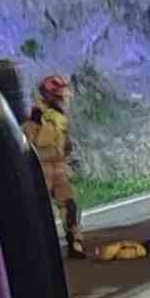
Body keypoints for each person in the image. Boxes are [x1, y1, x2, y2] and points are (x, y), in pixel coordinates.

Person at [22, 75, 86, 259]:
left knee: (69, 204)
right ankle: (38, 249)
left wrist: (68, 150)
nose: (64, 97)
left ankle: (75, 242)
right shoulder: (37, 114)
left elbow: (63, 139)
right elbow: (29, 139)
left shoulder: (59, 115)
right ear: (49, 95)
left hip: (59, 165)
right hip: (42, 166)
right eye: (59, 94)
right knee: (39, 209)